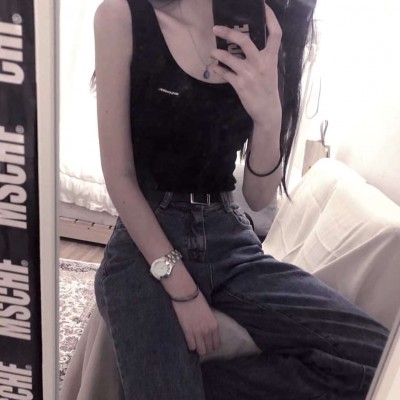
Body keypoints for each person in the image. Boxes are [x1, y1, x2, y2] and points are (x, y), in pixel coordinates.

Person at [93, 0, 389, 399]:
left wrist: (268, 115)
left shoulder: (264, 30)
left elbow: (258, 195)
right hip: (146, 244)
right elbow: (119, 177)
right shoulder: (123, 15)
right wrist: (183, 290)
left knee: (380, 360)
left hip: (228, 238)